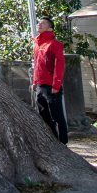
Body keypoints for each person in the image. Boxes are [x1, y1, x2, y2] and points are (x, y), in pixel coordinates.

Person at [33, 15, 68, 144]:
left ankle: (63, 141)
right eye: (39, 23)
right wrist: (34, 82)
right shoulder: (37, 44)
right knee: (44, 114)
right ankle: (54, 140)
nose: (39, 25)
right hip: (40, 85)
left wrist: (56, 85)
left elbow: (59, 65)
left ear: (50, 28)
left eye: (43, 23)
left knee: (57, 115)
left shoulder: (55, 44)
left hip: (52, 86)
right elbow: (36, 65)